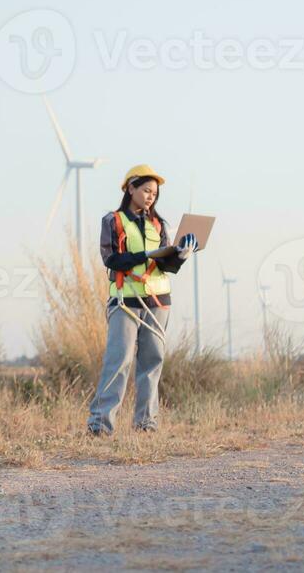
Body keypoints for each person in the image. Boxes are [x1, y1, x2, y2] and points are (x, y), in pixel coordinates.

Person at [86, 164, 197, 436]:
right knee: (118, 361)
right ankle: (100, 426)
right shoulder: (113, 221)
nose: (151, 197)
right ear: (130, 188)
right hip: (125, 301)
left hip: (158, 302)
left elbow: (166, 266)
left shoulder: (158, 224)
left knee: (152, 362)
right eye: (146, 190)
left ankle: (146, 425)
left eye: (154, 193)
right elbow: (110, 259)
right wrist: (146, 254)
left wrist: (180, 255)